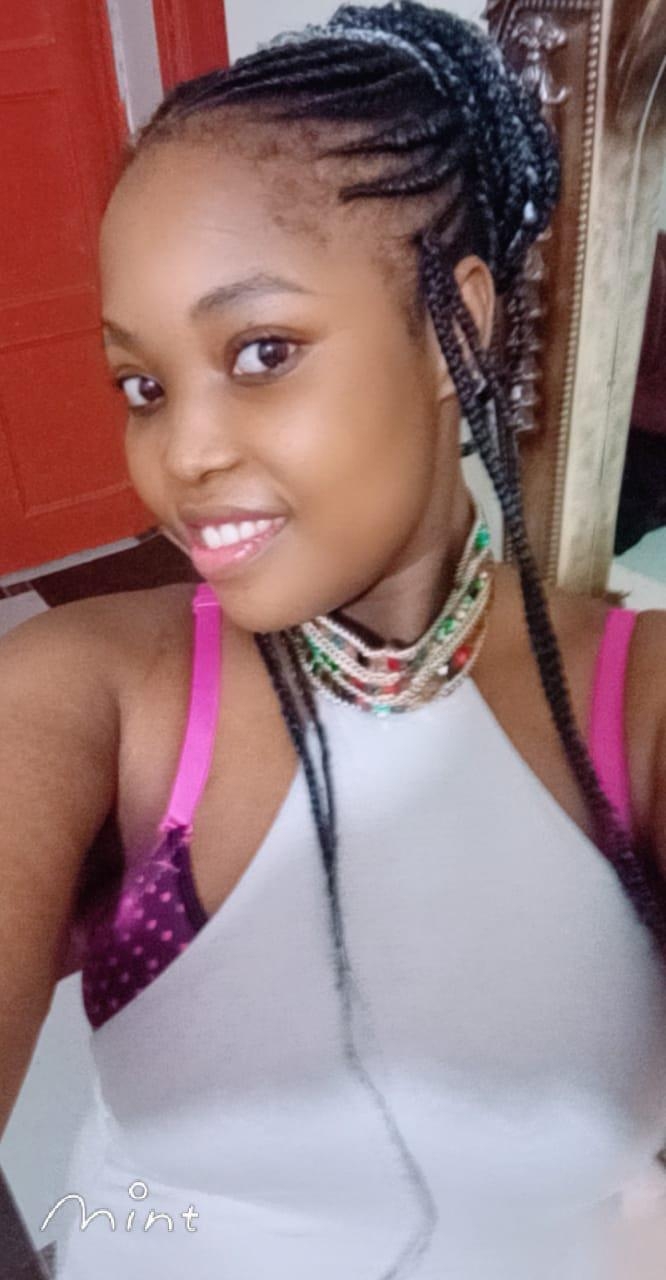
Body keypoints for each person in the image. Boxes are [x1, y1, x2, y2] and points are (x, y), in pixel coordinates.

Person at [1, 3, 665, 1277]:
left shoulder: (636, 708)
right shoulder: (94, 693)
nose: (182, 451)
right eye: (143, 385)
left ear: (457, 324)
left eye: (262, 351)